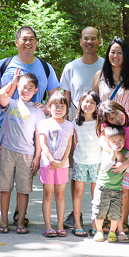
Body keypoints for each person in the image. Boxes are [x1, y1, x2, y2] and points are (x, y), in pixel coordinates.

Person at [0, 25, 61, 225]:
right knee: (0, 170)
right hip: (2, 128)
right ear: (16, 42)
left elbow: (56, 96)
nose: (28, 42)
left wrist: (43, 108)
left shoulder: (45, 67)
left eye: (32, 39)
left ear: (36, 43)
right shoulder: (5, 64)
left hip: (31, 129)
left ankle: (19, 213)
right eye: (24, 39)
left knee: (24, 171)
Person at [60, 26, 103, 227]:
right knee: (76, 168)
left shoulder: (106, 65)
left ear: (98, 41)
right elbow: (65, 98)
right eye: (86, 38)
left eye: (93, 38)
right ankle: (74, 214)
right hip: (76, 125)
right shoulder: (70, 67)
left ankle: (99, 214)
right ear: (80, 41)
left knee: (99, 170)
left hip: (99, 126)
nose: (89, 42)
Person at [0, 72, 45, 234]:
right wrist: (14, 82)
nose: (26, 90)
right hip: (7, 151)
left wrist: (37, 158)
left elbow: (39, 136)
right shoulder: (11, 103)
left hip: (27, 155)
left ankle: (21, 221)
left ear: (35, 91)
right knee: (5, 188)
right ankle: (4, 221)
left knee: (23, 190)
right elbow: (0, 94)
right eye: (23, 87)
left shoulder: (37, 111)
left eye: (30, 88)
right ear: (18, 88)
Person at [96, 100, 129, 243]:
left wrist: (126, 163)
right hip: (120, 164)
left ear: (121, 108)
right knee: (122, 197)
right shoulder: (109, 126)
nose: (116, 118)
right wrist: (117, 154)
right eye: (111, 118)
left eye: (116, 113)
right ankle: (119, 229)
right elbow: (102, 141)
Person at [92, 38, 129, 139]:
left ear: (125, 55)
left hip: (127, 129)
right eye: (112, 52)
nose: (115, 56)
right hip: (106, 129)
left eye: (119, 53)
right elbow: (94, 104)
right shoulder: (99, 76)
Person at [37, 93, 74, 237]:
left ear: (67, 108)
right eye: (55, 106)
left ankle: (60, 225)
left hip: (62, 166)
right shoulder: (44, 123)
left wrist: (63, 161)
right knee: (48, 195)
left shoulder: (69, 125)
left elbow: (69, 144)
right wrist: (52, 160)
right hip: (48, 164)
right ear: (49, 107)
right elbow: (43, 144)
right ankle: (47, 225)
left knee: (60, 195)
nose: (59, 109)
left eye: (62, 106)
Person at [91, 125, 129, 243]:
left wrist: (128, 161)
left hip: (117, 188)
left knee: (116, 212)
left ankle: (112, 231)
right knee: (100, 209)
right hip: (103, 186)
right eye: (114, 141)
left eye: (120, 140)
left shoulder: (126, 153)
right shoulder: (107, 152)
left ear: (125, 139)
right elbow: (105, 167)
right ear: (108, 142)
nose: (117, 144)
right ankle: (99, 231)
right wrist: (113, 154)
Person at [69, 91, 101, 236]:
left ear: (97, 105)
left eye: (92, 103)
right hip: (80, 161)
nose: (88, 105)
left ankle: (95, 224)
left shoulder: (100, 122)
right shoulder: (75, 123)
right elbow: (74, 143)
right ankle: (77, 223)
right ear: (80, 103)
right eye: (85, 102)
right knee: (78, 193)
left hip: (97, 162)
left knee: (96, 195)